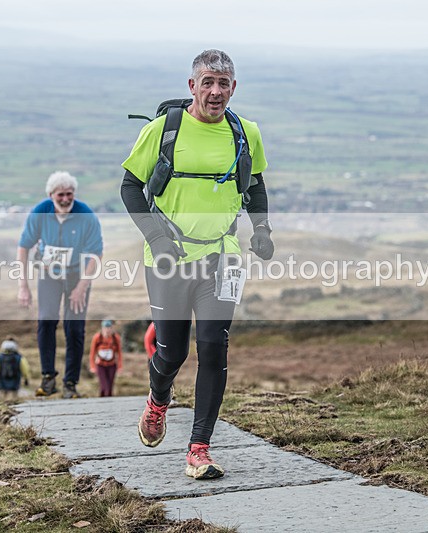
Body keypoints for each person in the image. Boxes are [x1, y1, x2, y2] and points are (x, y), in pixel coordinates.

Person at [121, 49, 274, 480]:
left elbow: (256, 184)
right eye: (207, 82)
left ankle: (199, 448)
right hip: (168, 255)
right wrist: (156, 238)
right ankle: (157, 400)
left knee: (213, 346)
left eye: (223, 83)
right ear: (192, 86)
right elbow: (131, 187)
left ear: (233, 88)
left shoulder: (246, 133)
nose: (215, 91)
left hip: (222, 255)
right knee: (172, 351)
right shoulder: (162, 131)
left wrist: (261, 230)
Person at [16, 171, 103, 399]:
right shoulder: (40, 212)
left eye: (70, 195)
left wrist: (82, 287)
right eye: (60, 195)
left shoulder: (86, 215)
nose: (65, 199)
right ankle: (48, 378)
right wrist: (22, 285)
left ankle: (70, 384)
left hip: (77, 274)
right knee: (46, 321)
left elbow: (95, 254)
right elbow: (24, 247)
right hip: (49, 274)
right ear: (51, 195)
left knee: (74, 327)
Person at [144, 322, 178, 407]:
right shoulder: (155, 324)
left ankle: (171, 398)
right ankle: (155, 402)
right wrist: (154, 358)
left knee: (169, 378)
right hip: (156, 357)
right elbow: (148, 341)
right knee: (156, 381)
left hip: (166, 357)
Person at [89, 319, 123, 397]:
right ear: (102, 328)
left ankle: (108, 404)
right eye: (105, 328)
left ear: (112, 328)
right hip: (100, 365)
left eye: (109, 328)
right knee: (105, 386)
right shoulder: (97, 337)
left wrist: (120, 366)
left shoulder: (115, 338)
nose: (107, 330)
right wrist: (92, 366)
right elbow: (92, 353)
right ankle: (103, 402)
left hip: (112, 365)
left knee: (110, 387)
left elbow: (119, 353)